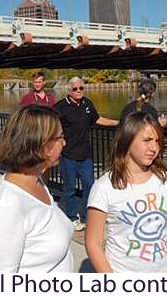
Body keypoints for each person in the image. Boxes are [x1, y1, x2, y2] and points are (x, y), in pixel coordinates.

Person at [85, 112, 167, 273]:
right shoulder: (104, 187)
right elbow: (93, 243)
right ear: (127, 140)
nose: (154, 148)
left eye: (157, 141)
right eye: (147, 140)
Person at [0, 105, 73, 272]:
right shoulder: (6, 208)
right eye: (60, 137)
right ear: (42, 143)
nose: (64, 143)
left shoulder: (35, 181)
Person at [53, 77, 118, 231]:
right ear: (69, 91)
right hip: (68, 155)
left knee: (90, 186)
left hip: (85, 155)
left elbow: (98, 119)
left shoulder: (87, 103)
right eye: (75, 89)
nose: (78, 91)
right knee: (69, 189)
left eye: (81, 88)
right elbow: (51, 124)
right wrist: (57, 140)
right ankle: (71, 217)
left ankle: (87, 217)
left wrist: (118, 123)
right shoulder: (60, 106)